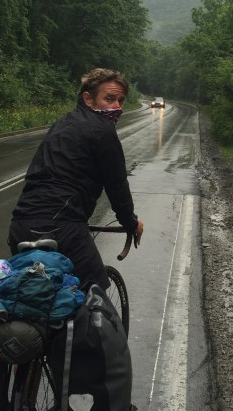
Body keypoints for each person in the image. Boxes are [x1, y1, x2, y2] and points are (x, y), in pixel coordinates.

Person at [8, 68, 144, 290]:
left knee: (38, 293)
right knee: (95, 290)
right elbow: (116, 185)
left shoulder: (62, 124)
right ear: (88, 98)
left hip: (21, 224)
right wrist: (130, 222)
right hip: (62, 228)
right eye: (109, 99)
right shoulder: (103, 129)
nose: (117, 107)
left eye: (120, 101)